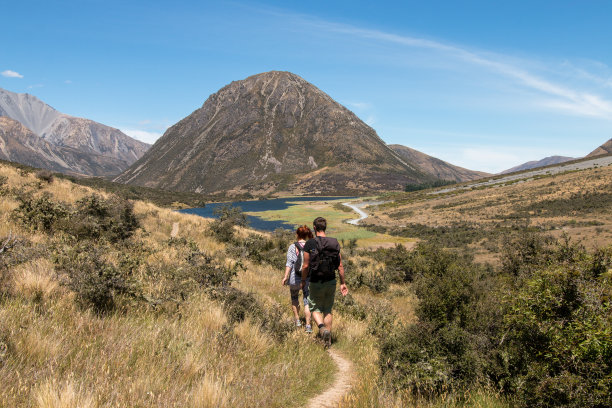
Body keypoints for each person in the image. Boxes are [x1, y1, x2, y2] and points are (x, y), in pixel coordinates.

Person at [301, 217, 348, 348]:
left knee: (315, 308)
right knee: (327, 309)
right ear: (325, 228)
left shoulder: (310, 244)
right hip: (331, 280)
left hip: (315, 281)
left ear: (314, 228)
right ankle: (328, 341)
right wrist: (343, 283)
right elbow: (340, 266)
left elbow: (305, 266)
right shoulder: (334, 243)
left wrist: (303, 281)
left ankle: (322, 329)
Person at [282, 225, 314, 333]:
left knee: (294, 298)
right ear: (306, 235)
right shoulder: (311, 246)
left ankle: (297, 321)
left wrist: (285, 276)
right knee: (307, 301)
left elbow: (289, 263)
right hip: (307, 278)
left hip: (294, 278)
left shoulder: (292, 247)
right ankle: (308, 325)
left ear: (297, 235)